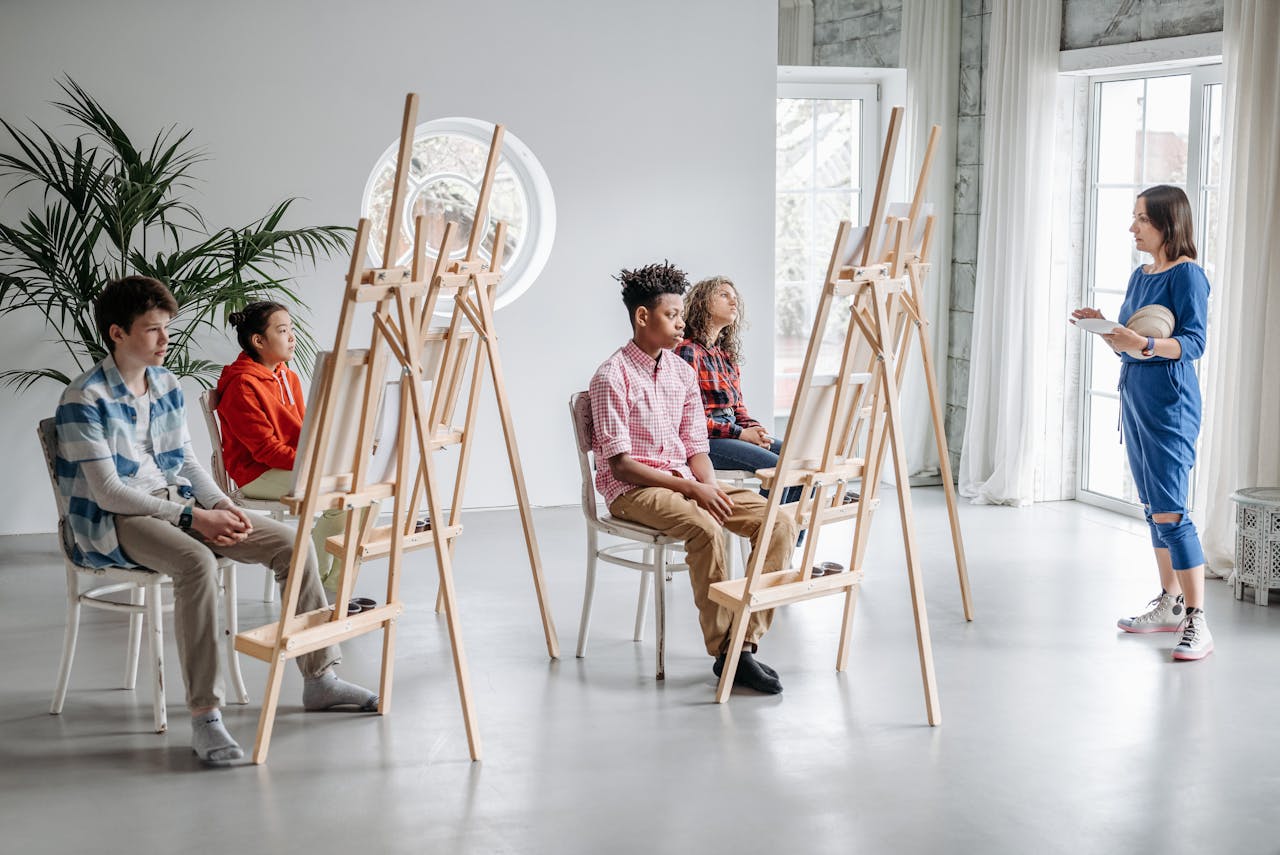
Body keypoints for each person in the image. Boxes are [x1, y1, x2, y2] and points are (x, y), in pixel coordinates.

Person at [55, 276, 378, 766]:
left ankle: (320, 678)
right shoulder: (84, 398)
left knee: (293, 544)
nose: (166, 339)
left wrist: (221, 505)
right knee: (196, 563)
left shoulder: (165, 384)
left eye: (167, 328)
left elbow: (185, 462)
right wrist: (193, 517)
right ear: (117, 333)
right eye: (152, 330)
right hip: (118, 519)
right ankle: (206, 715)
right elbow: (109, 492)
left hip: (182, 502)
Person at [588, 261, 798, 694]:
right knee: (706, 528)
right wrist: (692, 489)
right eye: (672, 315)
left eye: (683, 314)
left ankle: (744, 642)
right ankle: (729, 653)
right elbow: (621, 465)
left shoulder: (682, 372)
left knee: (778, 519)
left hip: (686, 479)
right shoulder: (611, 376)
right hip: (634, 490)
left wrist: (706, 484)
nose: (682, 323)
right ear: (643, 316)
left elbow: (696, 447)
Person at [1072, 185, 1212, 660]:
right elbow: (1130, 342)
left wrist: (1145, 345)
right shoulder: (1141, 274)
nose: (1132, 227)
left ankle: (1198, 621)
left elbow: (1193, 343)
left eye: (1141, 219)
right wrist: (1107, 328)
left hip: (1170, 401)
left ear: (1167, 224)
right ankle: (1171, 603)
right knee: (1154, 508)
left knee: (1172, 509)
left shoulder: (1188, 275)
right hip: (1134, 396)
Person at [214, 301, 347, 593]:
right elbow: (265, 451)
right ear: (258, 340)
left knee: (361, 491)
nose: (292, 337)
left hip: (290, 467)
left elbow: (304, 434)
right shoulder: (242, 385)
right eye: (283, 330)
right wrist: (314, 464)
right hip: (256, 474)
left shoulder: (289, 377)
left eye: (291, 329)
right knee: (341, 495)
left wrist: (331, 454)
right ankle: (316, 587)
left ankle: (333, 588)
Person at [675, 275, 801, 506]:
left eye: (735, 298)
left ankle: (789, 538)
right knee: (778, 468)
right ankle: (765, 535)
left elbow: (738, 407)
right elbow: (688, 420)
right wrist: (741, 434)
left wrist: (754, 429)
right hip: (705, 440)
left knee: (799, 462)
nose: (734, 302)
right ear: (702, 303)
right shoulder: (687, 352)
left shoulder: (725, 356)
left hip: (731, 430)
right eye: (724, 295)